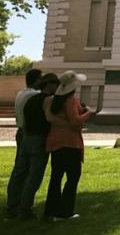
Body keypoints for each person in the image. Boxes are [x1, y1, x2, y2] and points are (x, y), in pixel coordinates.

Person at [6, 73, 60, 219]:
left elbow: (23, 119)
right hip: (39, 139)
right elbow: (49, 118)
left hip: (26, 137)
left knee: (19, 171)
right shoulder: (47, 99)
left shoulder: (29, 98)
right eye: (56, 85)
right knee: (34, 175)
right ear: (49, 85)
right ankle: (25, 208)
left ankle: (12, 205)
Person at [43, 71, 95, 220]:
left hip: (55, 142)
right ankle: (65, 211)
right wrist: (88, 114)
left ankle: (51, 210)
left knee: (56, 177)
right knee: (73, 177)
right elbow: (74, 121)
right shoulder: (71, 100)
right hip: (70, 143)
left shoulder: (54, 100)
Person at [5, 68, 43, 216]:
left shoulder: (21, 94)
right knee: (33, 170)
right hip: (32, 133)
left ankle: (13, 202)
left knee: (19, 169)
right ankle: (25, 206)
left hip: (21, 132)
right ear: (37, 80)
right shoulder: (36, 95)